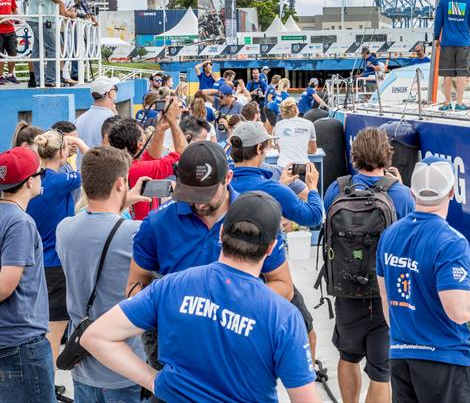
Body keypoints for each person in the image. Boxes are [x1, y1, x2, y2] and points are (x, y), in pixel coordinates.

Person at [83, 193, 320, 403]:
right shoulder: (283, 317)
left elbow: (95, 336)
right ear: (270, 248)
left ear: (222, 233)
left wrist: (154, 381)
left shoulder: (171, 286)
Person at [125, 142, 298, 370]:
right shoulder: (157, 224)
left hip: (238, 349)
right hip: (176, 352)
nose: (198, 202)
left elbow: (284, 285)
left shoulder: (257, 218)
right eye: (190, 193)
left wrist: (233, 307)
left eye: (206, 193)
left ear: (228, 178)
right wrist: (163, 314)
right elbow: (134, 283)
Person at [376, 156, 470, 403]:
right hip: (446, 362)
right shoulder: (451, 242)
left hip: (401, 358)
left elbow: (387, 303)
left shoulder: (389, 235)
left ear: (412, 192)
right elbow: (459, 311)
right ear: (452, 192)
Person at [323, 127, 415, 403]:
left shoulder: (336, 189)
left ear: (355, 156)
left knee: (347, 356)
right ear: (387, 157)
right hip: (385, 293)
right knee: (381, 372)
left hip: (345, 288)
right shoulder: (401, 195)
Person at [55, 146, 150, 403]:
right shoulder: (135, 232)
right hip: (124, 366)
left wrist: (120, 201)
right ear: (121, 183)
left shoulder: (64, 229)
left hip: (82, 363)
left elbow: (94, 226)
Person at [229, 122, 322, 352]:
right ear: (260, 149)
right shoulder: (272, 189)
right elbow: (314, 216)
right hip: (271, 274)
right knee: (306, 332)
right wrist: (312, 187)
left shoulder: (224, 184)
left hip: (230, 275)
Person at [25, 130, 89, 367]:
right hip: (56, 264)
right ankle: (48, 382)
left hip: (35, 261)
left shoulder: (33, 179)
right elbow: (96, 167)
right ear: (62, 151)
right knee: (55, 330)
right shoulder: (62, 182)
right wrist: (80, 144)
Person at [0, 147, 54, 403]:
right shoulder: (19, 222)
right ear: (30, 180)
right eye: (40, 172)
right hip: (21, 344)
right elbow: (5, 285)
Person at [108, 100, 187, 220]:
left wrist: (160, 128)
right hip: (139, 229)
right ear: (140, 144)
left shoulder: (123, 163)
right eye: (144, 136)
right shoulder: (137, 169)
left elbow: (151, 157)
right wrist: (174, 122)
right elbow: (184, 155)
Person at [433, 0, 470, 111]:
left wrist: (436, 38)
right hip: (464, 42)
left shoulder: (444, 2)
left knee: (447, 73)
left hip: (447, 42)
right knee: (462, 74)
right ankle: (459, 103)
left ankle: (447, 103)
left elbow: (438, 22)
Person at [27, 0, 66, 87]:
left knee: (37, 51)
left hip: (34, 19)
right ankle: (50, 80)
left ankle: (39, 80)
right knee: (52, 50)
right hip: (44, 21)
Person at [76, 76, 120, 150]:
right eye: (115, 89)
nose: (116, 92)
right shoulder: (111, 120)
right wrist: (116, 117)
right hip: (103, 161)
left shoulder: (79, 119)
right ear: (110, 94)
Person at [274, 97, 317, 169]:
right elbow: (313, 150)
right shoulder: (309, 124)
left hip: (283, 167)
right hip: (302, 166)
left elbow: (279, 150)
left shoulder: (278, 126)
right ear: (296, 109)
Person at [0, 0, 20, 84]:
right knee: (0, 55)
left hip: (11, 30)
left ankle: (11, 74)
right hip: (0, 31)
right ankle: (0, 76)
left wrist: (16, 19)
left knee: (13, 53)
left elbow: (15, 10)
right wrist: (4, 19)